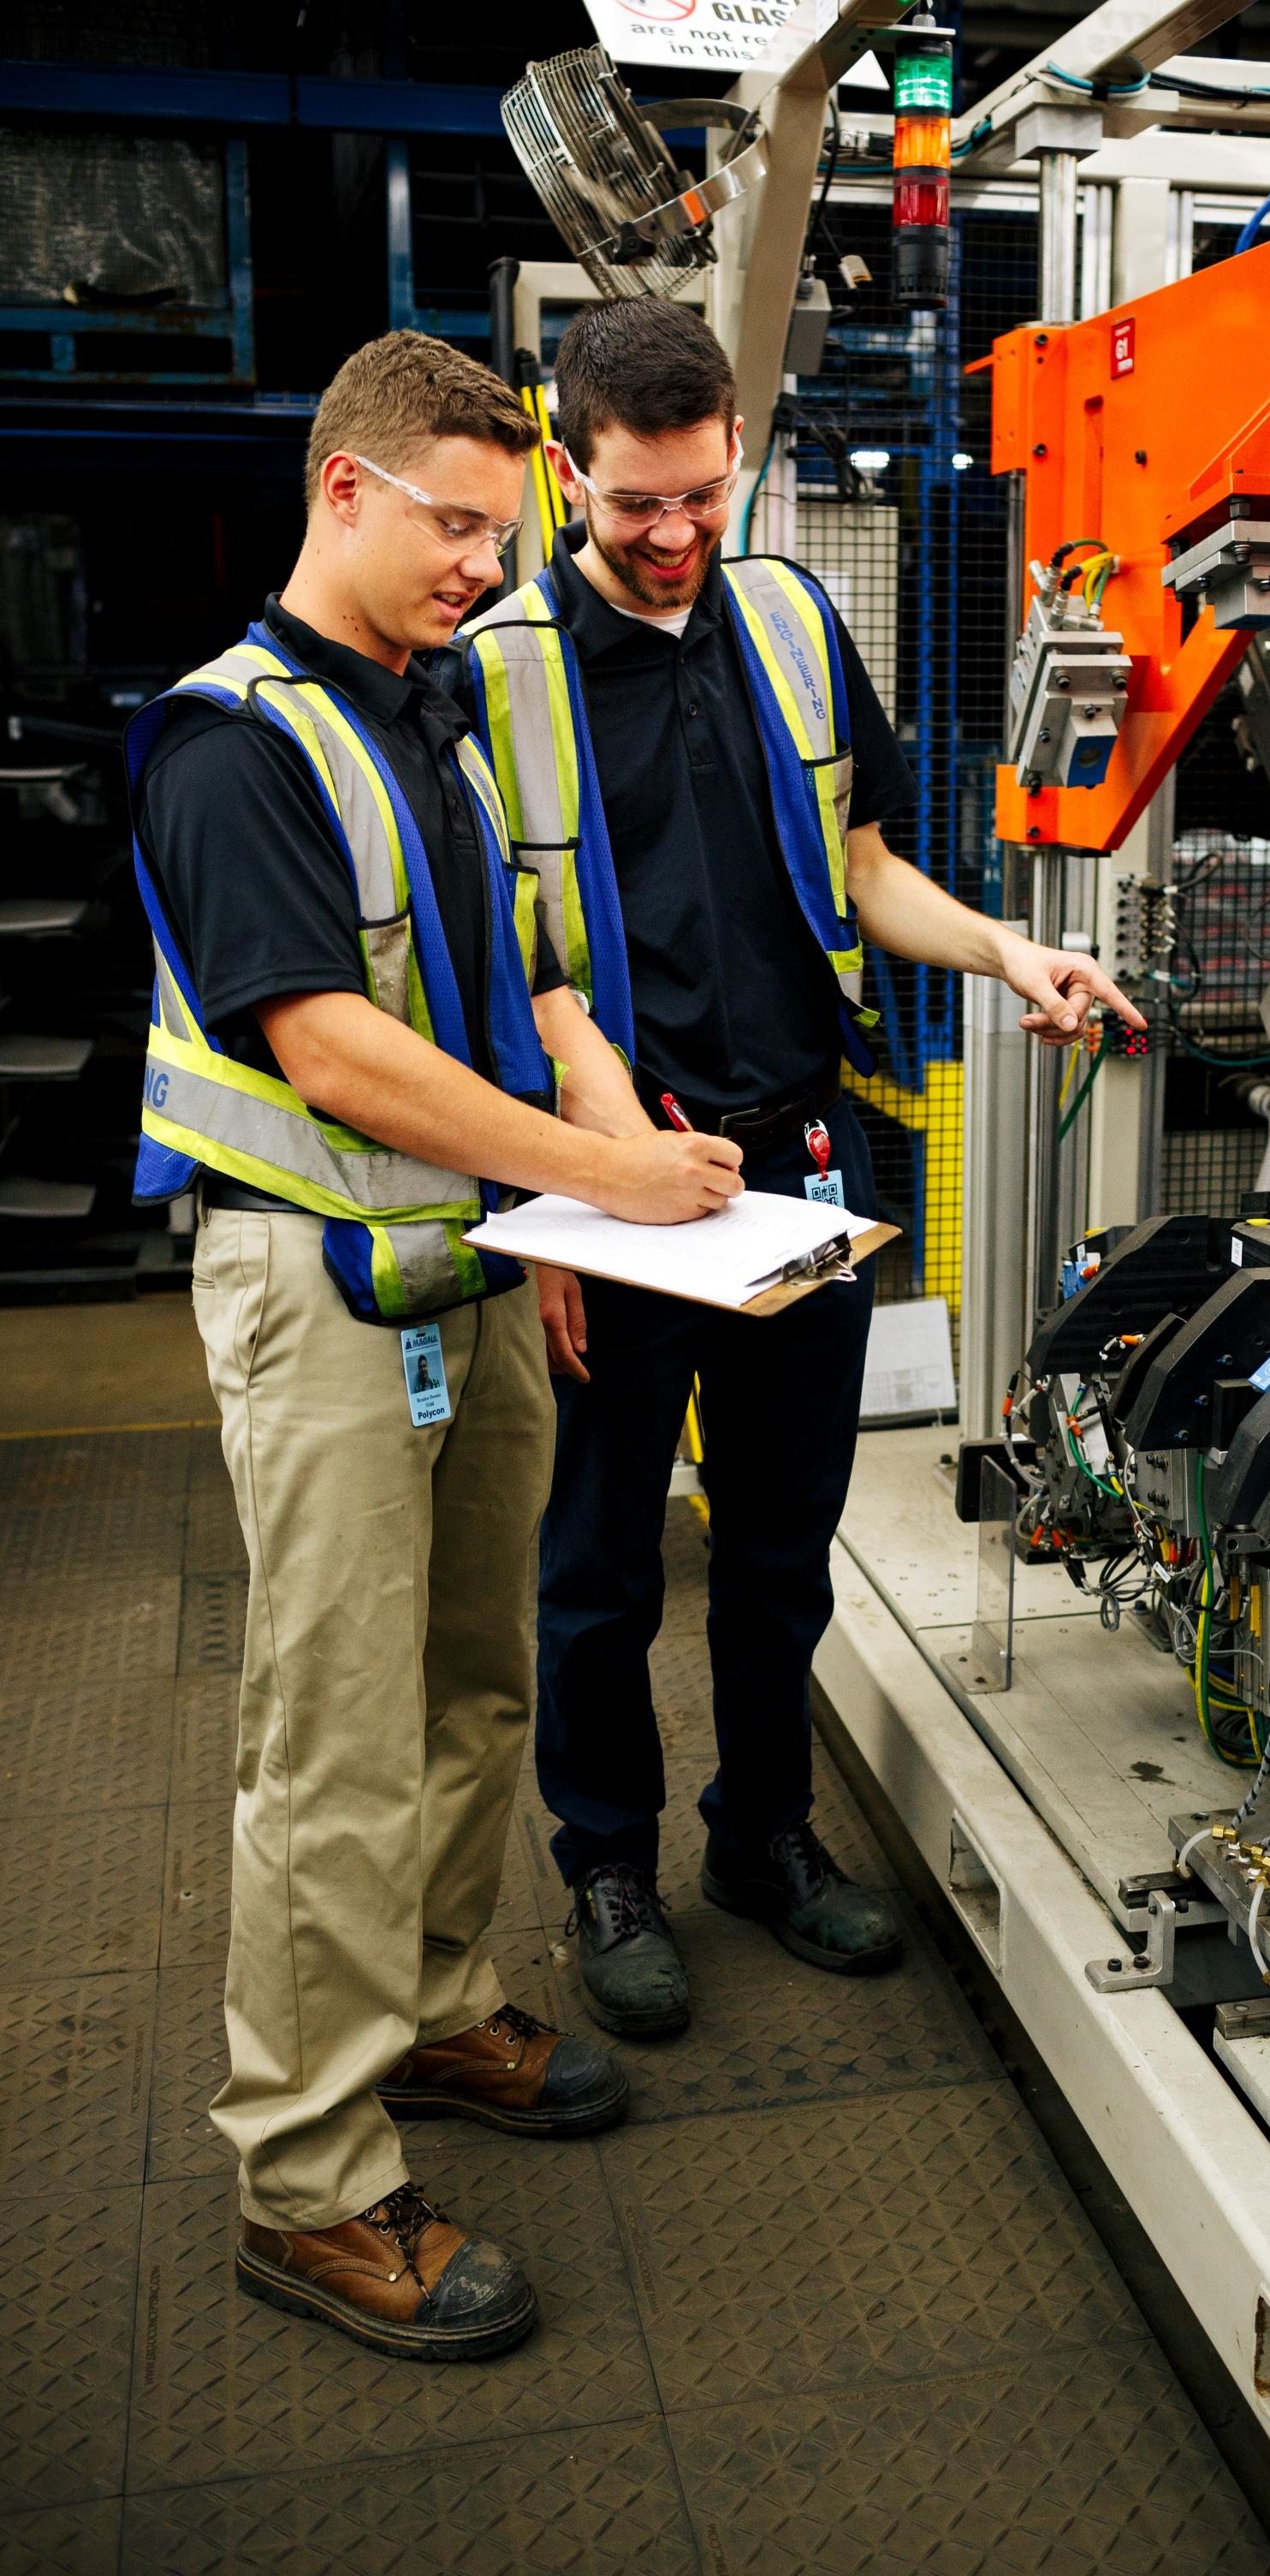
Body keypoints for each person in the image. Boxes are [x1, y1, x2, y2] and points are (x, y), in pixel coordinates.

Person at [128, 330, 742, 2361]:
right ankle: (306, 2180)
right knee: (332, 1737)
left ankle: (432, 1999)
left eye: (509, 528)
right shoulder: (234, 743)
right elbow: (326, 1041)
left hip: (475, 1272)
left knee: (479, 1671)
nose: (491, 564)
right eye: (459, 525)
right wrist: (594, 1166)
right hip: (318, 1292)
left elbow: (518, 969)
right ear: (344, 492)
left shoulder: (438, 710)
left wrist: (589, 1146)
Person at [445, 299, 1144, 2039]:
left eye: (698, 494)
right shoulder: (493, 670)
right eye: (632, 505)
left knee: (782, 1541)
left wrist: (1004, 952)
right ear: (565, 471)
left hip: (798, 1157)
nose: (672, 538)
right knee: (600, 1558)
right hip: (613, 1173)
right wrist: (582, 1171)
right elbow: (483, 970)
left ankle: (762, 1829)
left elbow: (862, 862)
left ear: (733, 452)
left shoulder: (789, 616)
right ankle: (605, 1862)